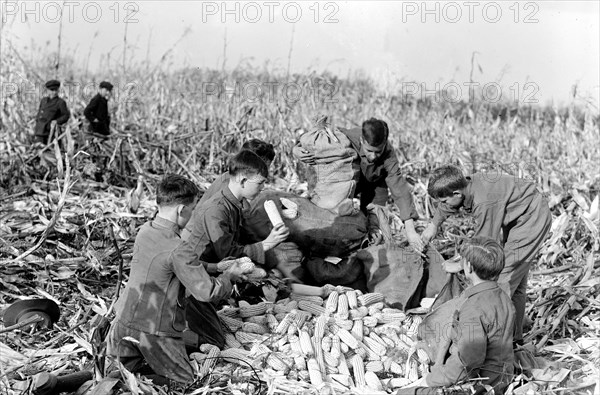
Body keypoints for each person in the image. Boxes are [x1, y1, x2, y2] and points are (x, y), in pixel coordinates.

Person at [105, 174, 247, 383]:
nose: (193, 215)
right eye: (192, 209)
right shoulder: (178, 248)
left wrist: (214, 266)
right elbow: (207, 292)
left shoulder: (145, 231)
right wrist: (229, 276)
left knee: (116, 378)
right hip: (154, 331)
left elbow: (170, 262)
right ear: (181, 210)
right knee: (187, 383)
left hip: (122, 321)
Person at [421, 165, 552, 345]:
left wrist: (460, 265)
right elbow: (447, 205)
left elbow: (485, 245)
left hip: (532, 217)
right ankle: (516, 336)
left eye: (443, 201)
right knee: (517, 280)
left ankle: (501, 341)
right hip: (518, 215)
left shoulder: (484, 202)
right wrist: (433, 225)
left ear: (457, 194)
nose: (441, 206)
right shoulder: (465, 186)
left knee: (503, 277)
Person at [173, 150, 289, 339]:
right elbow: (226, 252)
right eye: (260, 183)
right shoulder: (217, 209)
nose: (262, 188)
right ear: (243, 181)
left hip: (215, 269)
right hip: (196, 278)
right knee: (214, 338)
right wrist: (267, 243)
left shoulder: (235, 203)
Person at [400, 237, 515, 394]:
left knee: (405, 393)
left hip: (482, 383)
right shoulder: (504, 297)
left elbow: (467, 364)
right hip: (504, 373)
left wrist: (430, 380)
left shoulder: (473, 308)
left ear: (468, 267)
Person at [293, 118, 422, 251]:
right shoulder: (347, 137)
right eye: (369, 151)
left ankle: (365, 245)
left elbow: (399, 188)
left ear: (384, 144)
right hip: (347, 181)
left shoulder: (389, 154)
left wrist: (411, 231)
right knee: (330, 215)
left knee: (374, 225)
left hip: (375, 185)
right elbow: (320, 140)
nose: (373, 157)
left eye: (378, 152)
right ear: (361, 140)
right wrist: (297, 150)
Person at [34, 80, 70, 144]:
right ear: (47, 90)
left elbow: (66, 115)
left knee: (50, 151)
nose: (54, 92)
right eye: (52, 90)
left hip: (51, 131)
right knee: (38, 148)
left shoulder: (61, 102)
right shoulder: (43, 100)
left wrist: (57, 121)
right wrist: (37, 121)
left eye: (56, 90)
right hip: (40, 130)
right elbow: (39, 113)